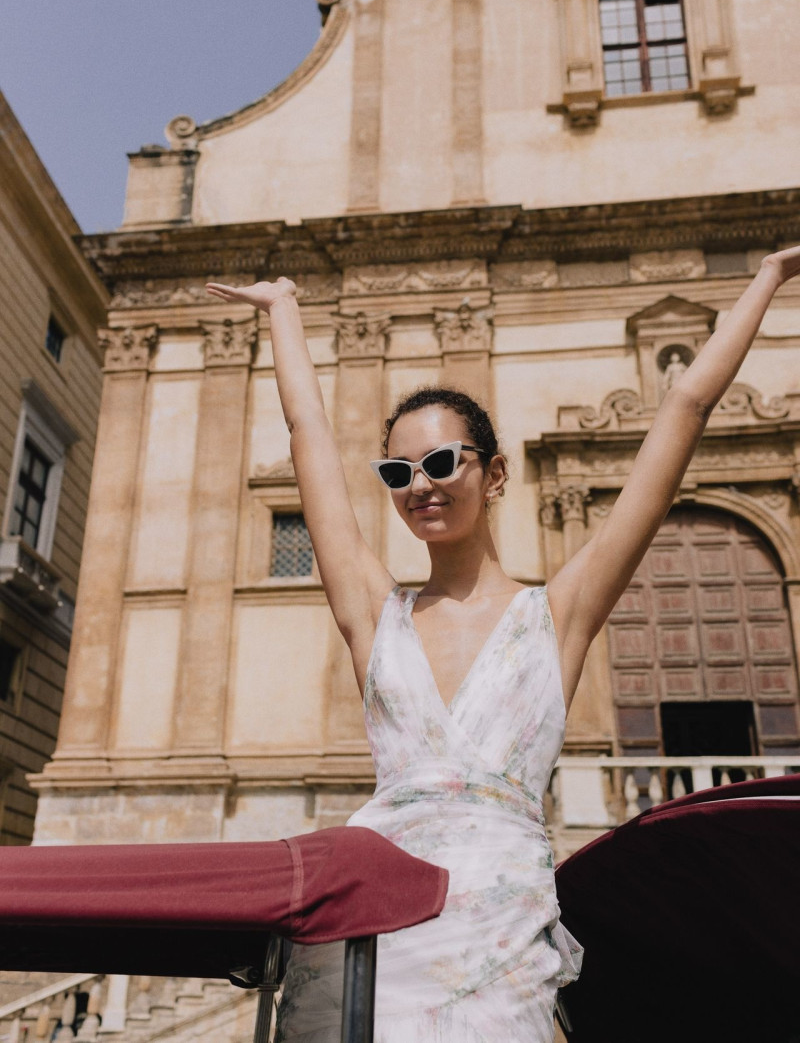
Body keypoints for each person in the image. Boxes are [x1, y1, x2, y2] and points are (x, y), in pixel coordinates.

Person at [206, 244, 800, 1042]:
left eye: (442, 461)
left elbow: (685, 408)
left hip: (501, 936)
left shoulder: (558, 612)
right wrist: (283, 312)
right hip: (370, 918)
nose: (419, 484)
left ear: (492, 476)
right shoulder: (371, 609)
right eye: (397, 472)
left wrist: (767, 277)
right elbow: (307, 432)